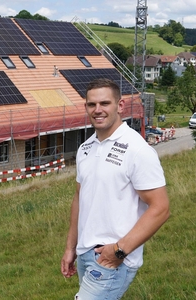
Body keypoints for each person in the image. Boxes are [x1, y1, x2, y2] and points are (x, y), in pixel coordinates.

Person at [60, 78, 170, 299]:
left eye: (105, 103)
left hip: (112, 260)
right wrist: (71, 248)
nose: (97, 110)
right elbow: (80, 197)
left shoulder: (137, 150)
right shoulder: (85, 148)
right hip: (85, 254)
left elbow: (161, 208)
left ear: (120, 106)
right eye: (92, 105)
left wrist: (119, 251)